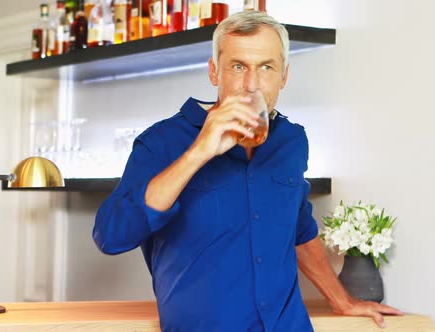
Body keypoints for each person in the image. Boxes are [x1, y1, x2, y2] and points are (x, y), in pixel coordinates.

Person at [93, 10, 402, 331]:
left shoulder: (292, 140)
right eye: (238, 66)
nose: (252, 84)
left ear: (283, 75)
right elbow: (111, 236)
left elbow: (299, 229)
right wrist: (200, 151)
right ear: (214, 72)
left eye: (266, 67)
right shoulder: (163, 141)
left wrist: (342, 300)